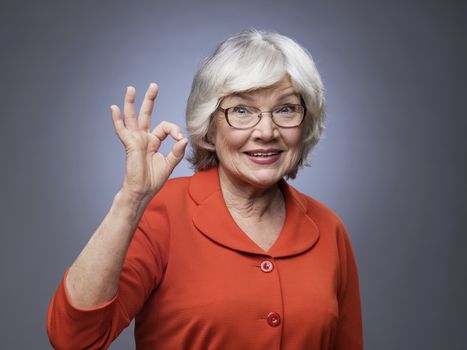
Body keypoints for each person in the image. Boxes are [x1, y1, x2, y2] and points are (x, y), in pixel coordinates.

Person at [47, 29, 363, 349]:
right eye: (242, 110)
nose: (266, 131)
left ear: (305, 123)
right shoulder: (162, 213)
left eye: (286, 109)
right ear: (209, 129)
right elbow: (74, 340)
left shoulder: (329, 228)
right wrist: (131, 200)